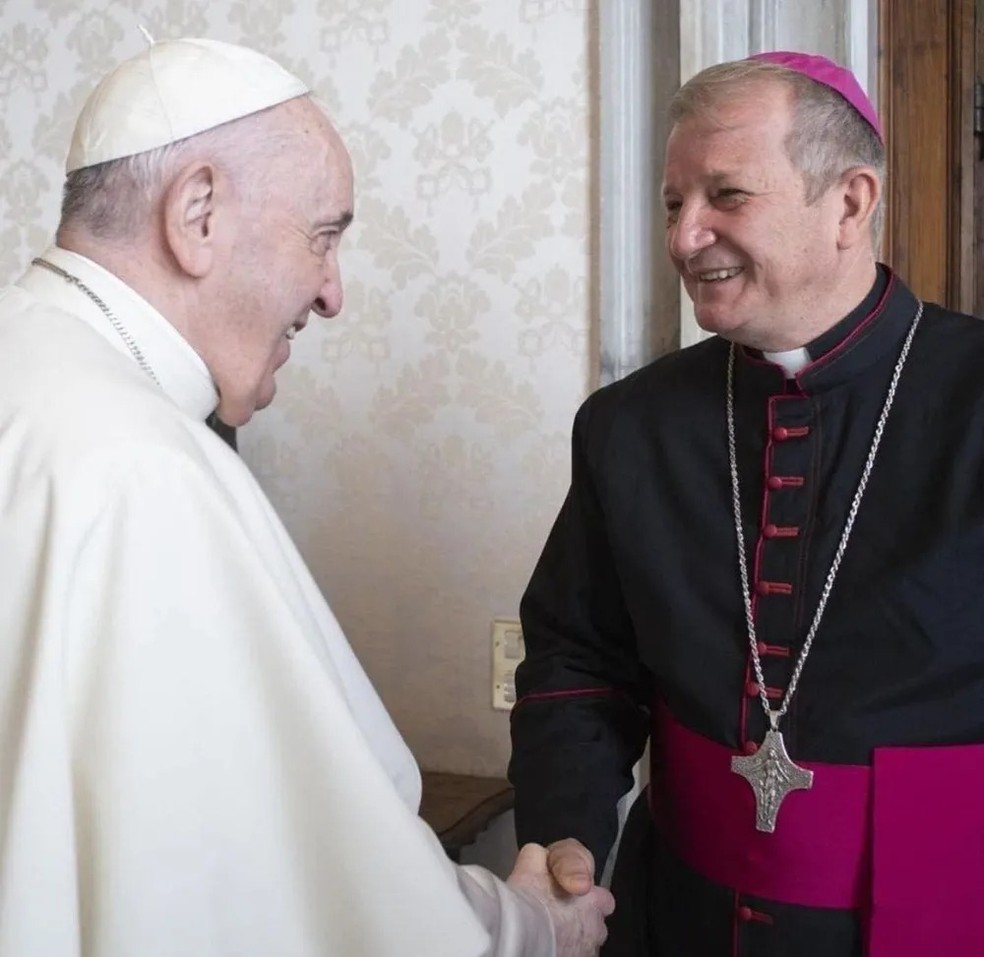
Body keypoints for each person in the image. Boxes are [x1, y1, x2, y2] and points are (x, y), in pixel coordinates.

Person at [0, 37, 614, 957]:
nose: (332, 294)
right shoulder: (143, 468)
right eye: (323, 235)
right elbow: (305, 887)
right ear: (196, 211)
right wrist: (535, 926)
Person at [509, 50, 984, 957]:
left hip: (944, 918)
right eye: (672, 203)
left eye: (727, 196)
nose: (687, 236)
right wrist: (565, 831)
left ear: (849, 203)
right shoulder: (628, 425)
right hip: (677, 913)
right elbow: (579, 661)